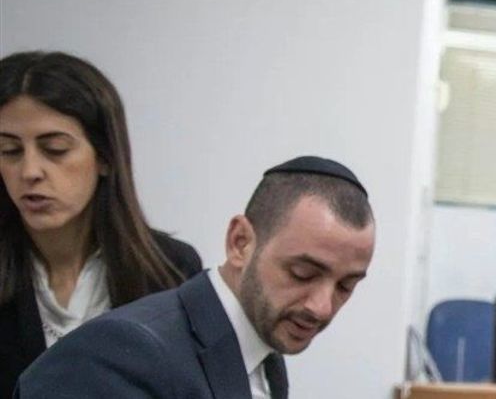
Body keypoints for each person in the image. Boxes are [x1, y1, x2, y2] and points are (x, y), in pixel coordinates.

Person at [15, 155, 376, 399]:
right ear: (240, 242)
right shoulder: (120, 353)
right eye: (303, 273)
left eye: (346, 286)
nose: (322, 307)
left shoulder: (265, 353)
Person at [0, 51, 203, 398]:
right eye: (9, 151)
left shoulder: (172, 270)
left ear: (105, 157)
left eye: (55, 149)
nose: (30, 171)